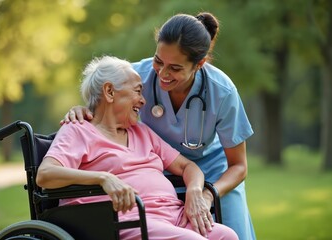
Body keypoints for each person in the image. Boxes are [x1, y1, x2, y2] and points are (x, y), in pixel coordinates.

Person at [62, 12, 256, 240]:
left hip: (213, 173)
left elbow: (239, 166)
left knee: (234, 233)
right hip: (159, 173)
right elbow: (104, 103)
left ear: (199, 64)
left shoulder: (222, 91)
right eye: (158, 61)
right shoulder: (137, 76)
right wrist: (82, 109)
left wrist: (205, 194)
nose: (163, 73)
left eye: (174, 68)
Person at [37, 56, 238, 239]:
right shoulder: (78, 130)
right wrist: (103, 178)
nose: (143, 101)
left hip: (174, 216)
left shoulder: (141, 131)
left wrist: (194, 190)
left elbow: (187, 167)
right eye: (137, 91)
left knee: (227, 236)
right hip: (126, 221)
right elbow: (45, 175)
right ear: (109, 92)